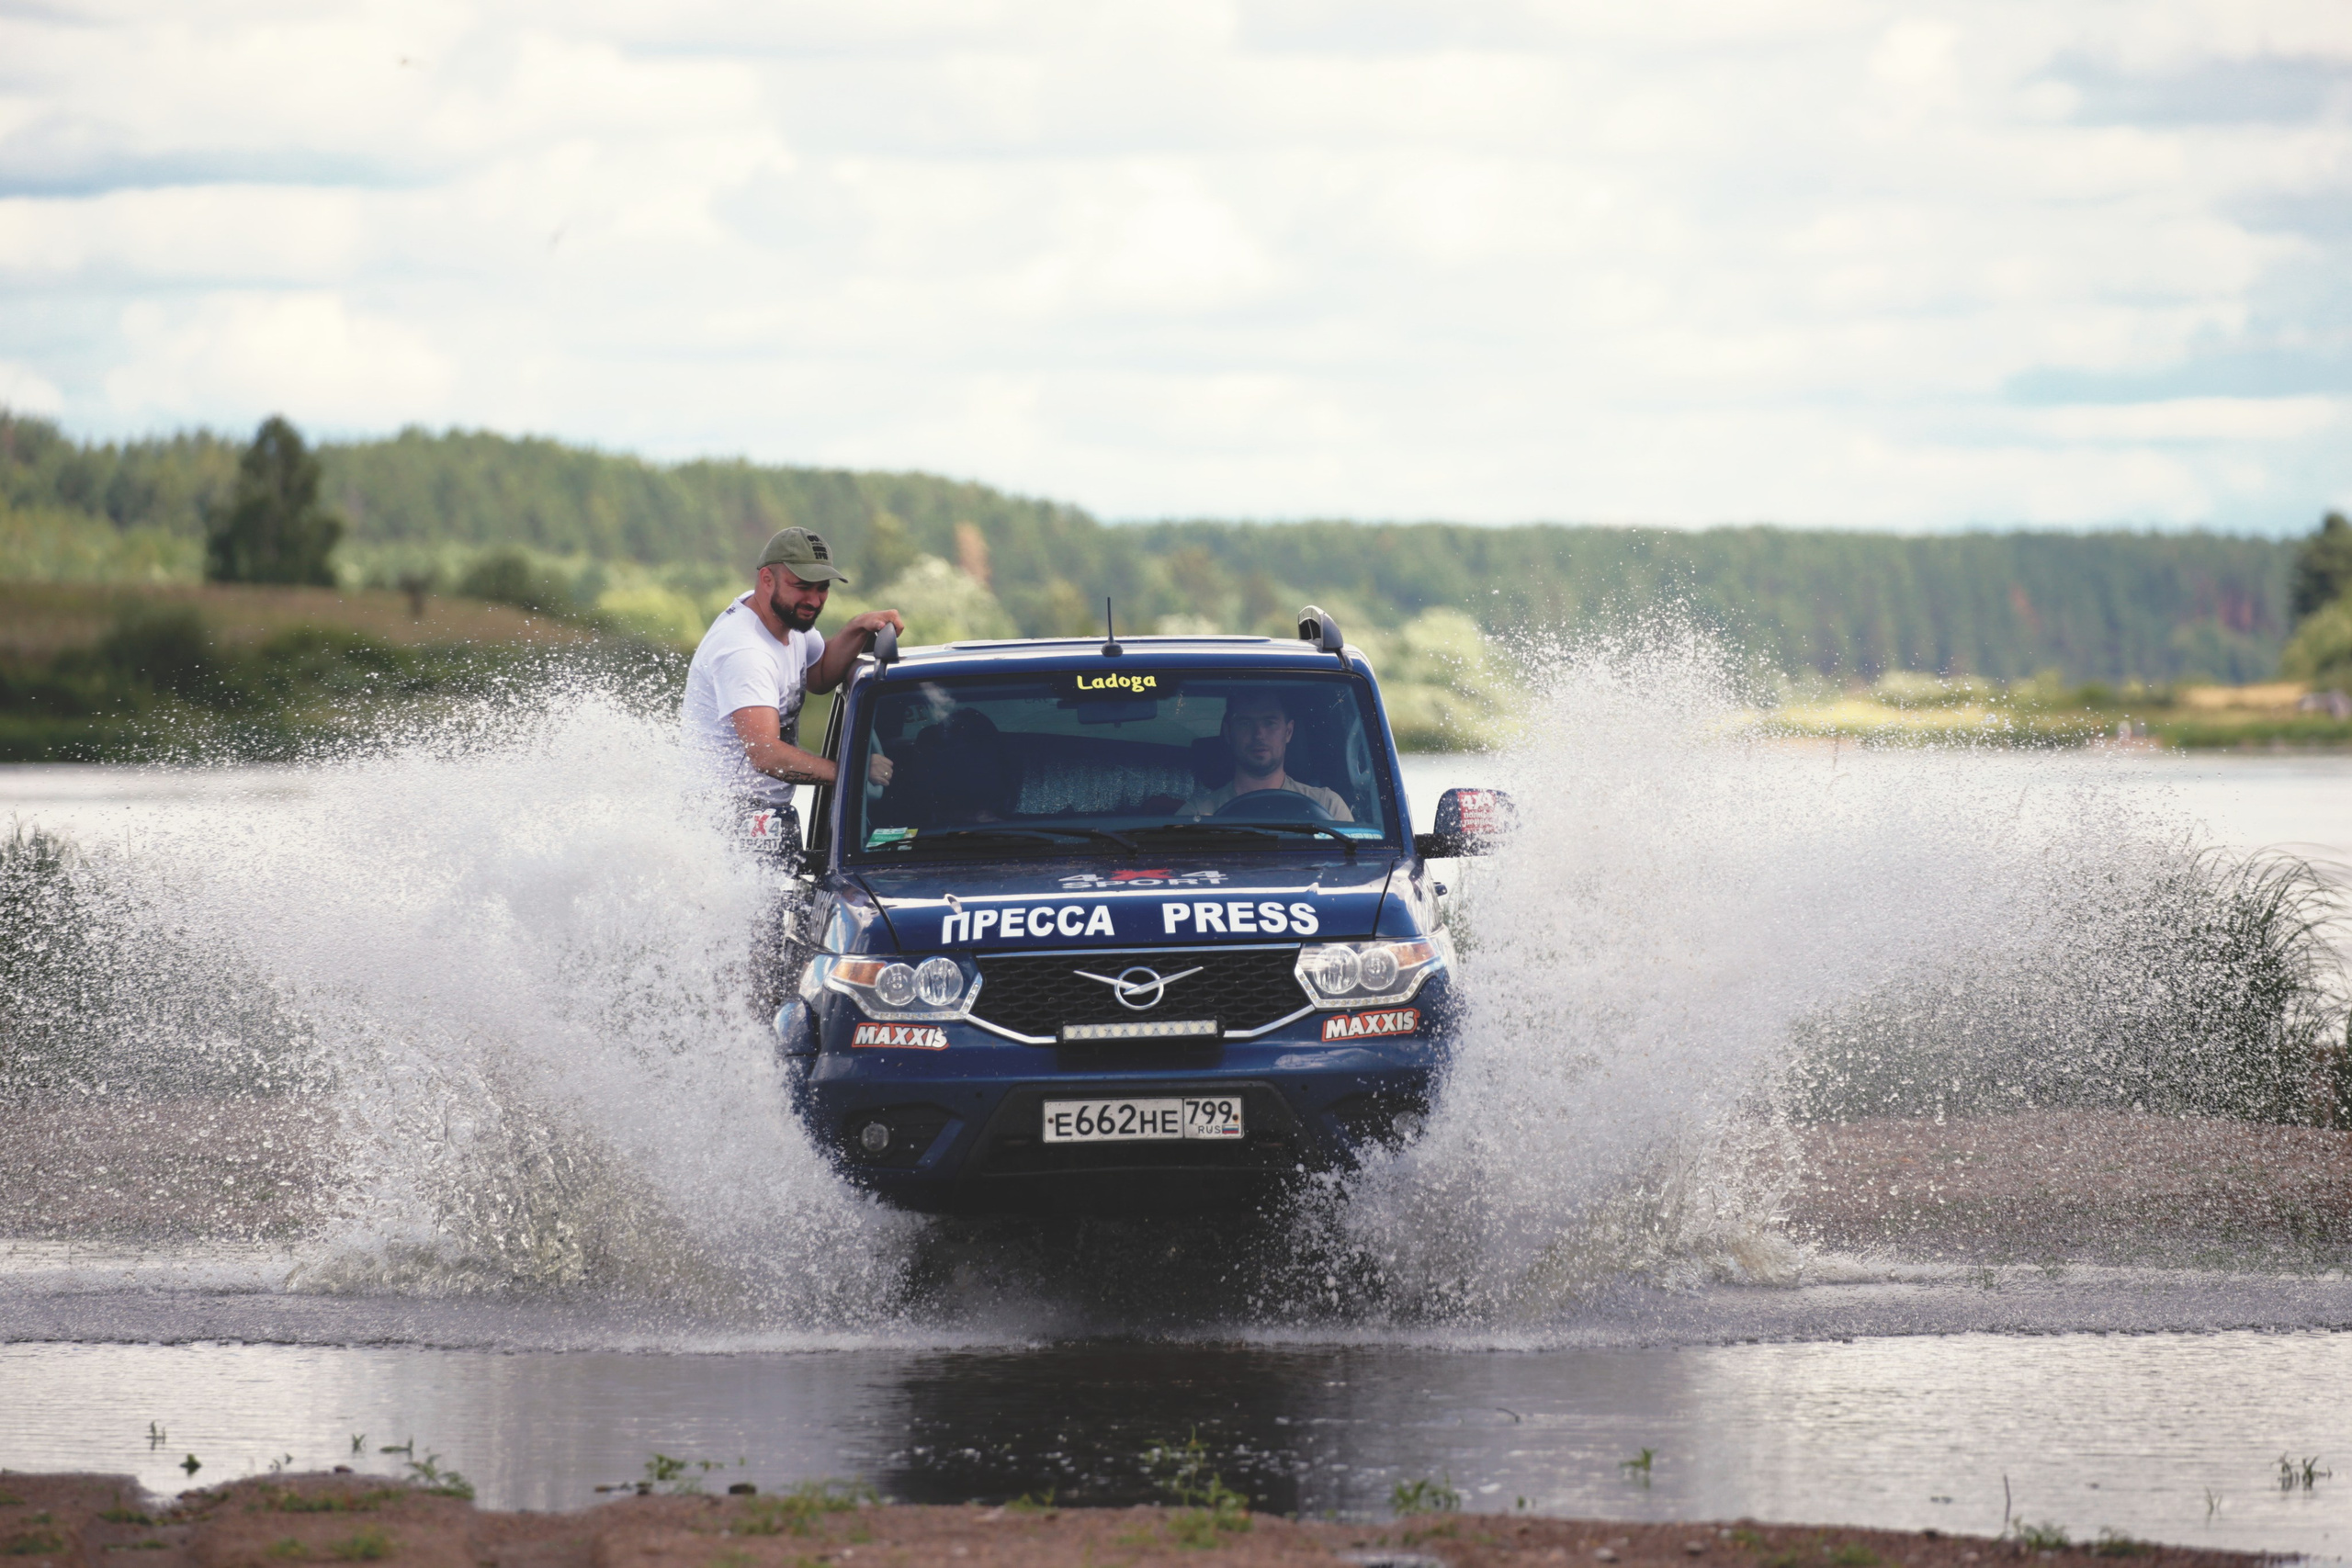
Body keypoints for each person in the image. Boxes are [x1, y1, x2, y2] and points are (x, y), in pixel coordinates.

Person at [681, 526, 905, 876]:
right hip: (726, 818)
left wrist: (856, 629)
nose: (814, 600)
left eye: (822, 588)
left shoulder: (783, 620)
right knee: (759, 931)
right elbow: (766, 754)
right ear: (767, 579)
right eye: (802, 586)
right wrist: (855, 771)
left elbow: (818, 677)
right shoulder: (745, 651)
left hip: (764, 811)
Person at [1180, 689, 1351, 820]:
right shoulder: (1198, 815)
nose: (1259, 734)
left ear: (1289, 731)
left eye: (1270, 723)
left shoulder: (1327, 806)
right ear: (1228, 732)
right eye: (1245, 723)